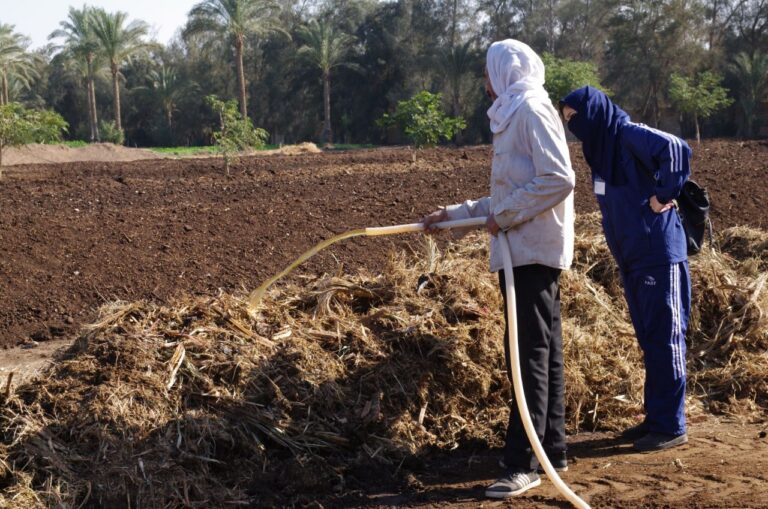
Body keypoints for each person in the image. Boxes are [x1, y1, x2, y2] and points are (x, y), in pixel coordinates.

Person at [422, 39, 575, 499]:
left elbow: (558, 179)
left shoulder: (529, 110)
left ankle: (523, 463)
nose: (485, 84)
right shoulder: (515, 111)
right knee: (544, 352)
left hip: (531, 250)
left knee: (528, 354)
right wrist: (452, 216)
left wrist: (504, 217)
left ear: (504, 72)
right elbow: (512, 193)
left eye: (487, 73)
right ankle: (553, 448)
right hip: (524, 248)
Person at [559, 86, 691, 452]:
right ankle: (656, 418)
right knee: (649, 339)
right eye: (568, 119)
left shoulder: (628, 134)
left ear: (595, 113)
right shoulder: (599, 150)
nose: (573, 126)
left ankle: (671, 426)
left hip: (659, 253)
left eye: (576, 117)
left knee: (667, 339)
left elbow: (677, 149)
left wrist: (663, 196)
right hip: (631, 257)